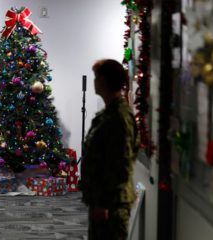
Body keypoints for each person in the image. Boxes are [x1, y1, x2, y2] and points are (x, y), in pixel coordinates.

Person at [81, 59, 140, 240]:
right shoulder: (108, 113)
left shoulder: (119, 117)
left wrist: (104, 204)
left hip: (112, 205)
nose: (94, 81)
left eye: (96, 77)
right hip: (102, 201)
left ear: (105, 81)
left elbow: (122, 164)